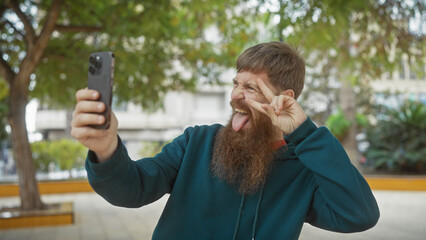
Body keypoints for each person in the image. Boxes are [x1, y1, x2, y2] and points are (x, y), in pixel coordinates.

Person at [71, 41, 380, 240]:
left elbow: (359, 215)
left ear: (285, 99)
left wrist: (306, 133)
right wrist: (106, 149)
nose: (235, 95)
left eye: (251, 87)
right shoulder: (196, 142)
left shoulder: (304, 168)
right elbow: (132, 188)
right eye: (236, 84)